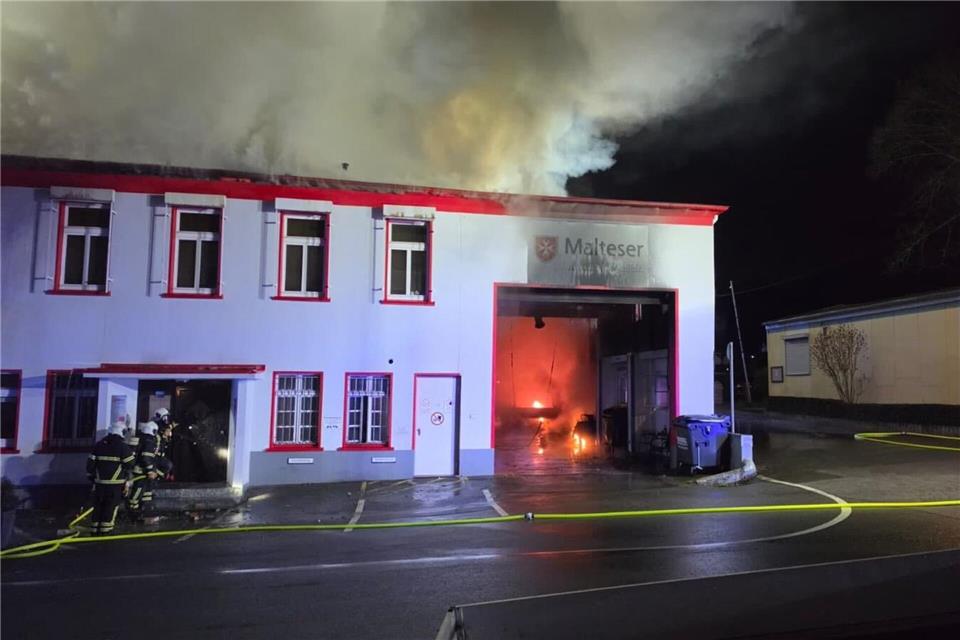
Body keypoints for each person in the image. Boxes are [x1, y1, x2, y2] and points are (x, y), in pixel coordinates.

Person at [86, 422, 134, 535]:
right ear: (121, 432)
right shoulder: (122, 447)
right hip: (115, 484)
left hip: (99, 484)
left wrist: (93, 479)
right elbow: (130, 464)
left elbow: (90, 466)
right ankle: (105, 531)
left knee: (98, 506)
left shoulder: (98, 445)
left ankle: (95, 529)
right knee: (110, 507)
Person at [128, 421, 160, 522]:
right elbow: (146, 457)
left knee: (143, 492)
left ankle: (140, 512)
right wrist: (150, 471)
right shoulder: (149, 441)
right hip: (141, 472)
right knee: (138, 492)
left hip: (138, 470)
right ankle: (133, 514)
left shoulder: (141, 439)